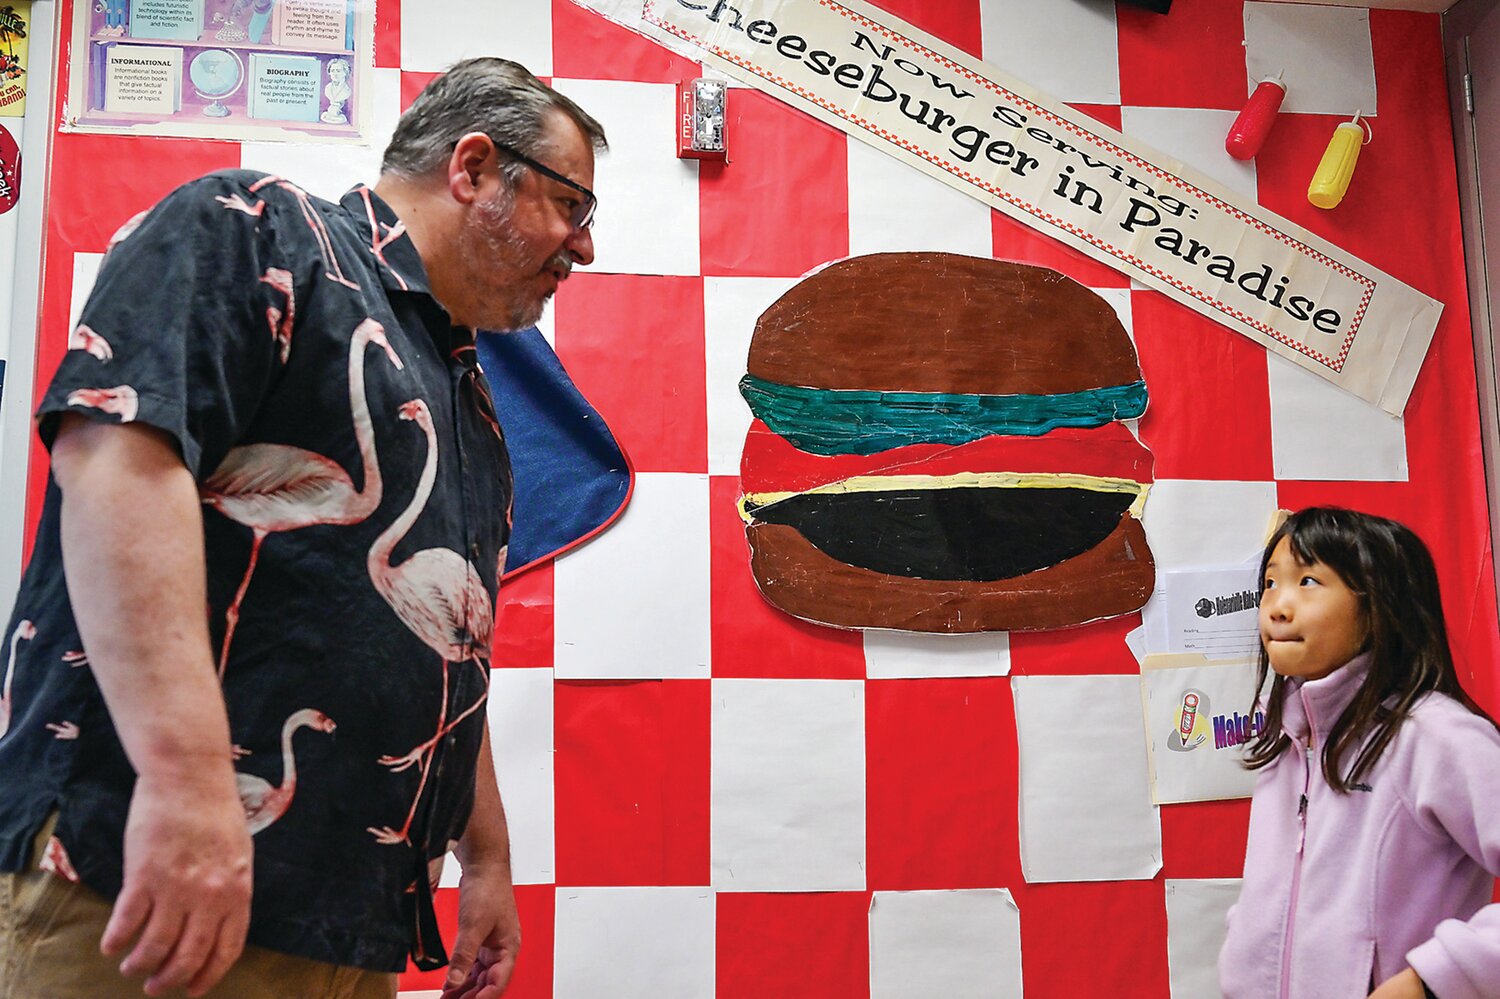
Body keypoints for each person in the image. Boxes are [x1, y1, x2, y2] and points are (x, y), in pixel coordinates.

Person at [0, 58, 604, 999]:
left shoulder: (469, 401)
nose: (584, 246)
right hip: (141, 874)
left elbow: (449, 641)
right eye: (573, 205)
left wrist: (485, 857)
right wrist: (189, 786)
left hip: (342, 919)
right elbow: (114, 458)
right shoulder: (257, 228)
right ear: (475, 168)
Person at [1219, 507, 1500, 999]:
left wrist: (1438, 978)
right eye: (1269, 583)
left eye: (1308, 582)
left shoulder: (1436, 736)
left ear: (1379, 606)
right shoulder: (1288, 733)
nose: (1277, 606)